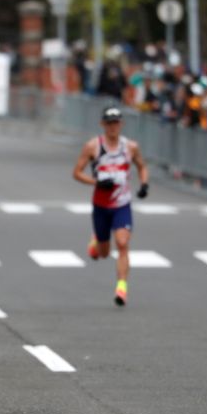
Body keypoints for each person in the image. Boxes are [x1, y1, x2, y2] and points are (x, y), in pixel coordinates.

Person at [72, 106, 149, 306]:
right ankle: (96, 240)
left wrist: (144, 184)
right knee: (104, 253)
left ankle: (121, 287)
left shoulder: (130, 147)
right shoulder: (93, 146)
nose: (113, 127)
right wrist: (96, 182)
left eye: (116, 122)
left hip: (122, 205)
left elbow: (142, 165)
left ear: (121, 124)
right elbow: (77, 172)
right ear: (102, 124)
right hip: (101, 205)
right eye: (109, 123)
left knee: (123, 243)